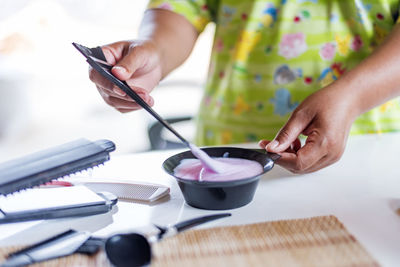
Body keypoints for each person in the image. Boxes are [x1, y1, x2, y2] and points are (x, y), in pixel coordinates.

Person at [88, 0, 400, 173]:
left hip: (367, 148)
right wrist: (154, 50)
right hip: (226, 144)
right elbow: (183, 6)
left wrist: (354, 97)